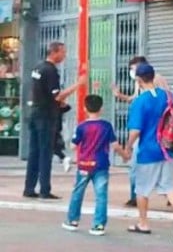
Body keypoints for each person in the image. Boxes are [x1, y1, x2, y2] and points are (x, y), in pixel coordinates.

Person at [125, 62, 173, 238]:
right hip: (167, 149)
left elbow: (135, 130)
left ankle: (143, 223)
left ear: (138, 80)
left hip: (148, 151)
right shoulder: (170, 96)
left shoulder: (140, 101)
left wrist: (128, 147)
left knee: (142, 189)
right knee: (169, 186)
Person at [61, 94, 130, 236]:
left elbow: (73, 146)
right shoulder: (106, 126)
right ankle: (98, 225)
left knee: (78, 193)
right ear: (101, 108)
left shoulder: (81, 127)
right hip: (101, 165)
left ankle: (73, 221)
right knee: (101, 195)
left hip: (84, 165)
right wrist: (124, 156)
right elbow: (115, 145)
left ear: (85, 108)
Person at [24, 42, 86, 199]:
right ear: (54, 52)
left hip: (35, 113)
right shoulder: (50, 71)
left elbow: (40, 92)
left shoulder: (38, 68)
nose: (64, 56)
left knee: (34, 152)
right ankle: (45, 189)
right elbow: (57, 95)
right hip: (46, 116)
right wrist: (78, 85)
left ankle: (29, 188)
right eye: (63, 52)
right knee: (45, 153)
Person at [111, 56, 148, 207]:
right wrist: (120, 96)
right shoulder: (138, 83)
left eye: (134, 69)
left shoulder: (154, 81)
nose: (132, 72)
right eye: (131, 69)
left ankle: (137, 197)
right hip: (143, 131)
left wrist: (128, 145)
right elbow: (134, 98)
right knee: (137, 166)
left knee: (136, 166)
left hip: (146, 131)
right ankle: (135, 196)